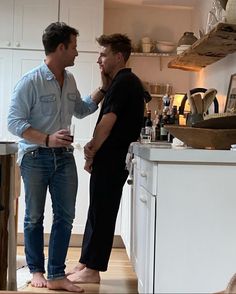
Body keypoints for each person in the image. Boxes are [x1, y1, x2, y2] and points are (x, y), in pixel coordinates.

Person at [7, 22, 107, 293]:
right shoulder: (30, 81)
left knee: (65, 217)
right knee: (34, 217)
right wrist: (48, 139)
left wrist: (103, 88)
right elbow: (14, 123)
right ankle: (36, 269)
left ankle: (56, 274)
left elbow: (82, 109)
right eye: (73, 47)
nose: (76, 53)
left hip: (64, 158)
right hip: (35, 156)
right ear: (61, 47)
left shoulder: (70, 79)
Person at [67, 33, 145, 283]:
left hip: (112, 158)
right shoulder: (121, 81)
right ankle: (85, 262)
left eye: (104, 54)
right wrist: (104, 83)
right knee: (97, 210)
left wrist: (91, 148)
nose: (99, 59)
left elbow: (107, 121)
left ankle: (93, 270)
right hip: (111, 158)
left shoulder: (125, 82)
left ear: (119, 57)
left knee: (103, 212)